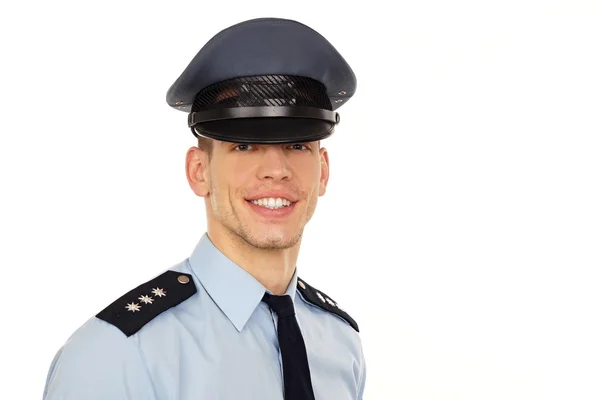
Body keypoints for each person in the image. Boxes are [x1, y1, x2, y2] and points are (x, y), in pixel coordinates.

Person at [43, 17, 366, 400]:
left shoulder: (340, 343)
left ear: (323, 171)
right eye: (244, 147)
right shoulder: (118, 355)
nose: (277, 171)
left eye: (298, 146)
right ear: (199, 172)